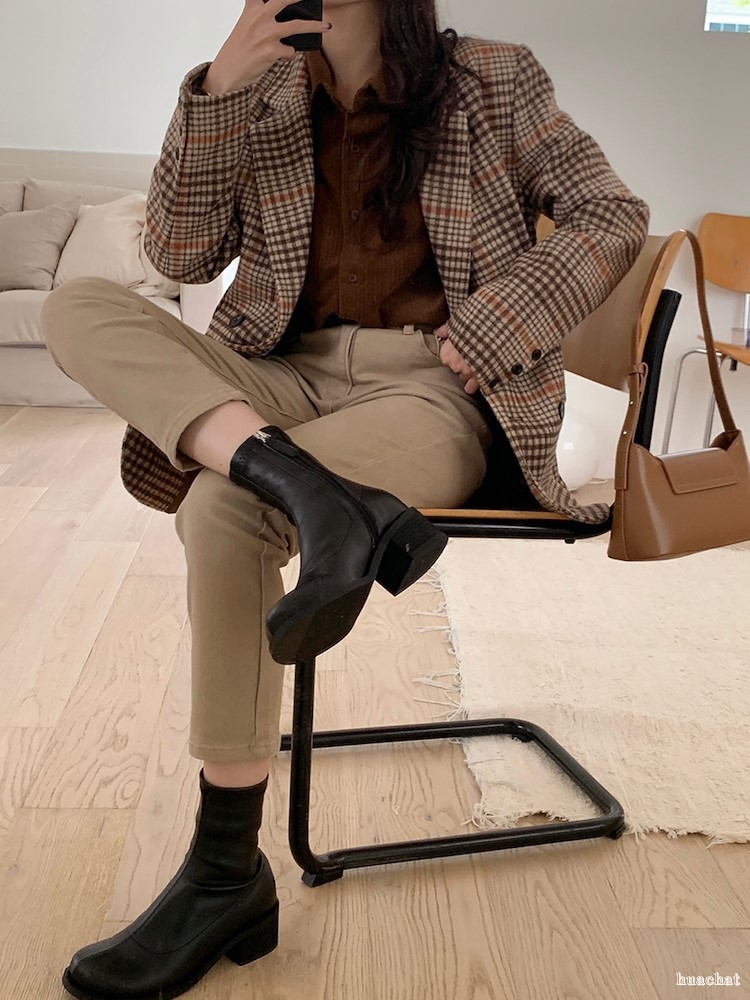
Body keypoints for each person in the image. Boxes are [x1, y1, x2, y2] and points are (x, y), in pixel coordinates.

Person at [41, 1, 650, 997]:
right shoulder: (263, 90)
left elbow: (612, 214)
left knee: (220, 507)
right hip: (282, 375)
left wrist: (496, 324)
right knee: (77, 307)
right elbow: (179, 255)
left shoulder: (495, 77)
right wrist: (217, 92)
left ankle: (223, 872)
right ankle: (307, 489)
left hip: (433, 388)